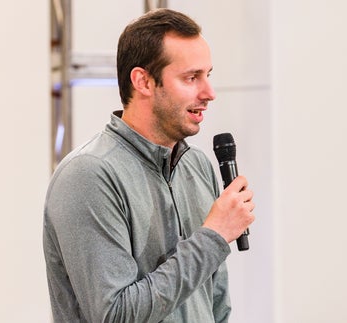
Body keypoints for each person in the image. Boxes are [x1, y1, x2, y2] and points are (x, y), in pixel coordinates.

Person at [43, 8, 255, 322]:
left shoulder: (197, 166)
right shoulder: (89, 175)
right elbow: (115, 315)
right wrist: (213, 236)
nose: (209, 93)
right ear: (143, 81)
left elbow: (216, 301)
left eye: (207, 75)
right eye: (191, 77)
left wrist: (212, 241)